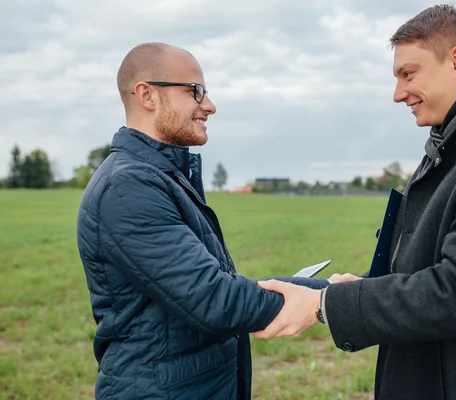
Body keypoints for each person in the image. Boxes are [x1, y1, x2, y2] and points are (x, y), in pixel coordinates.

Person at [253, 5, 456, 400]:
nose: (398, 94)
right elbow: (426, 268)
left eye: (409, 74)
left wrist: (325, 305)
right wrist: (365, 287)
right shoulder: (451, 146)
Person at [76, 42, 328, 400]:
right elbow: (215, 300)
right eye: (195, 91)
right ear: (147, 95)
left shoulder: (163, 176)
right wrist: (329, 300)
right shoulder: (128, 187)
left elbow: (209, 289)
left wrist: (325, 289)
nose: (209, 105)